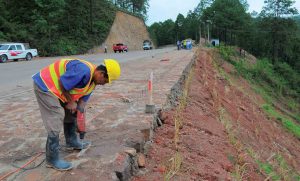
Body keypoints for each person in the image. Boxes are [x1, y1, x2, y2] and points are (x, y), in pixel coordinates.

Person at [32, 58, 121, 171]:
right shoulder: (84, 71)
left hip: (58, 89)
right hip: (45, 84)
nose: (104, 84)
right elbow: (62, 82)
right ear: (101, 74)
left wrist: (80, 122)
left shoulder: (93, 82)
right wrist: (70, 101)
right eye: (105, 81)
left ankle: (72, 141)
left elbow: (81, 105)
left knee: (73, 111)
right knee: (56, 115)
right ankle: (52, 159)